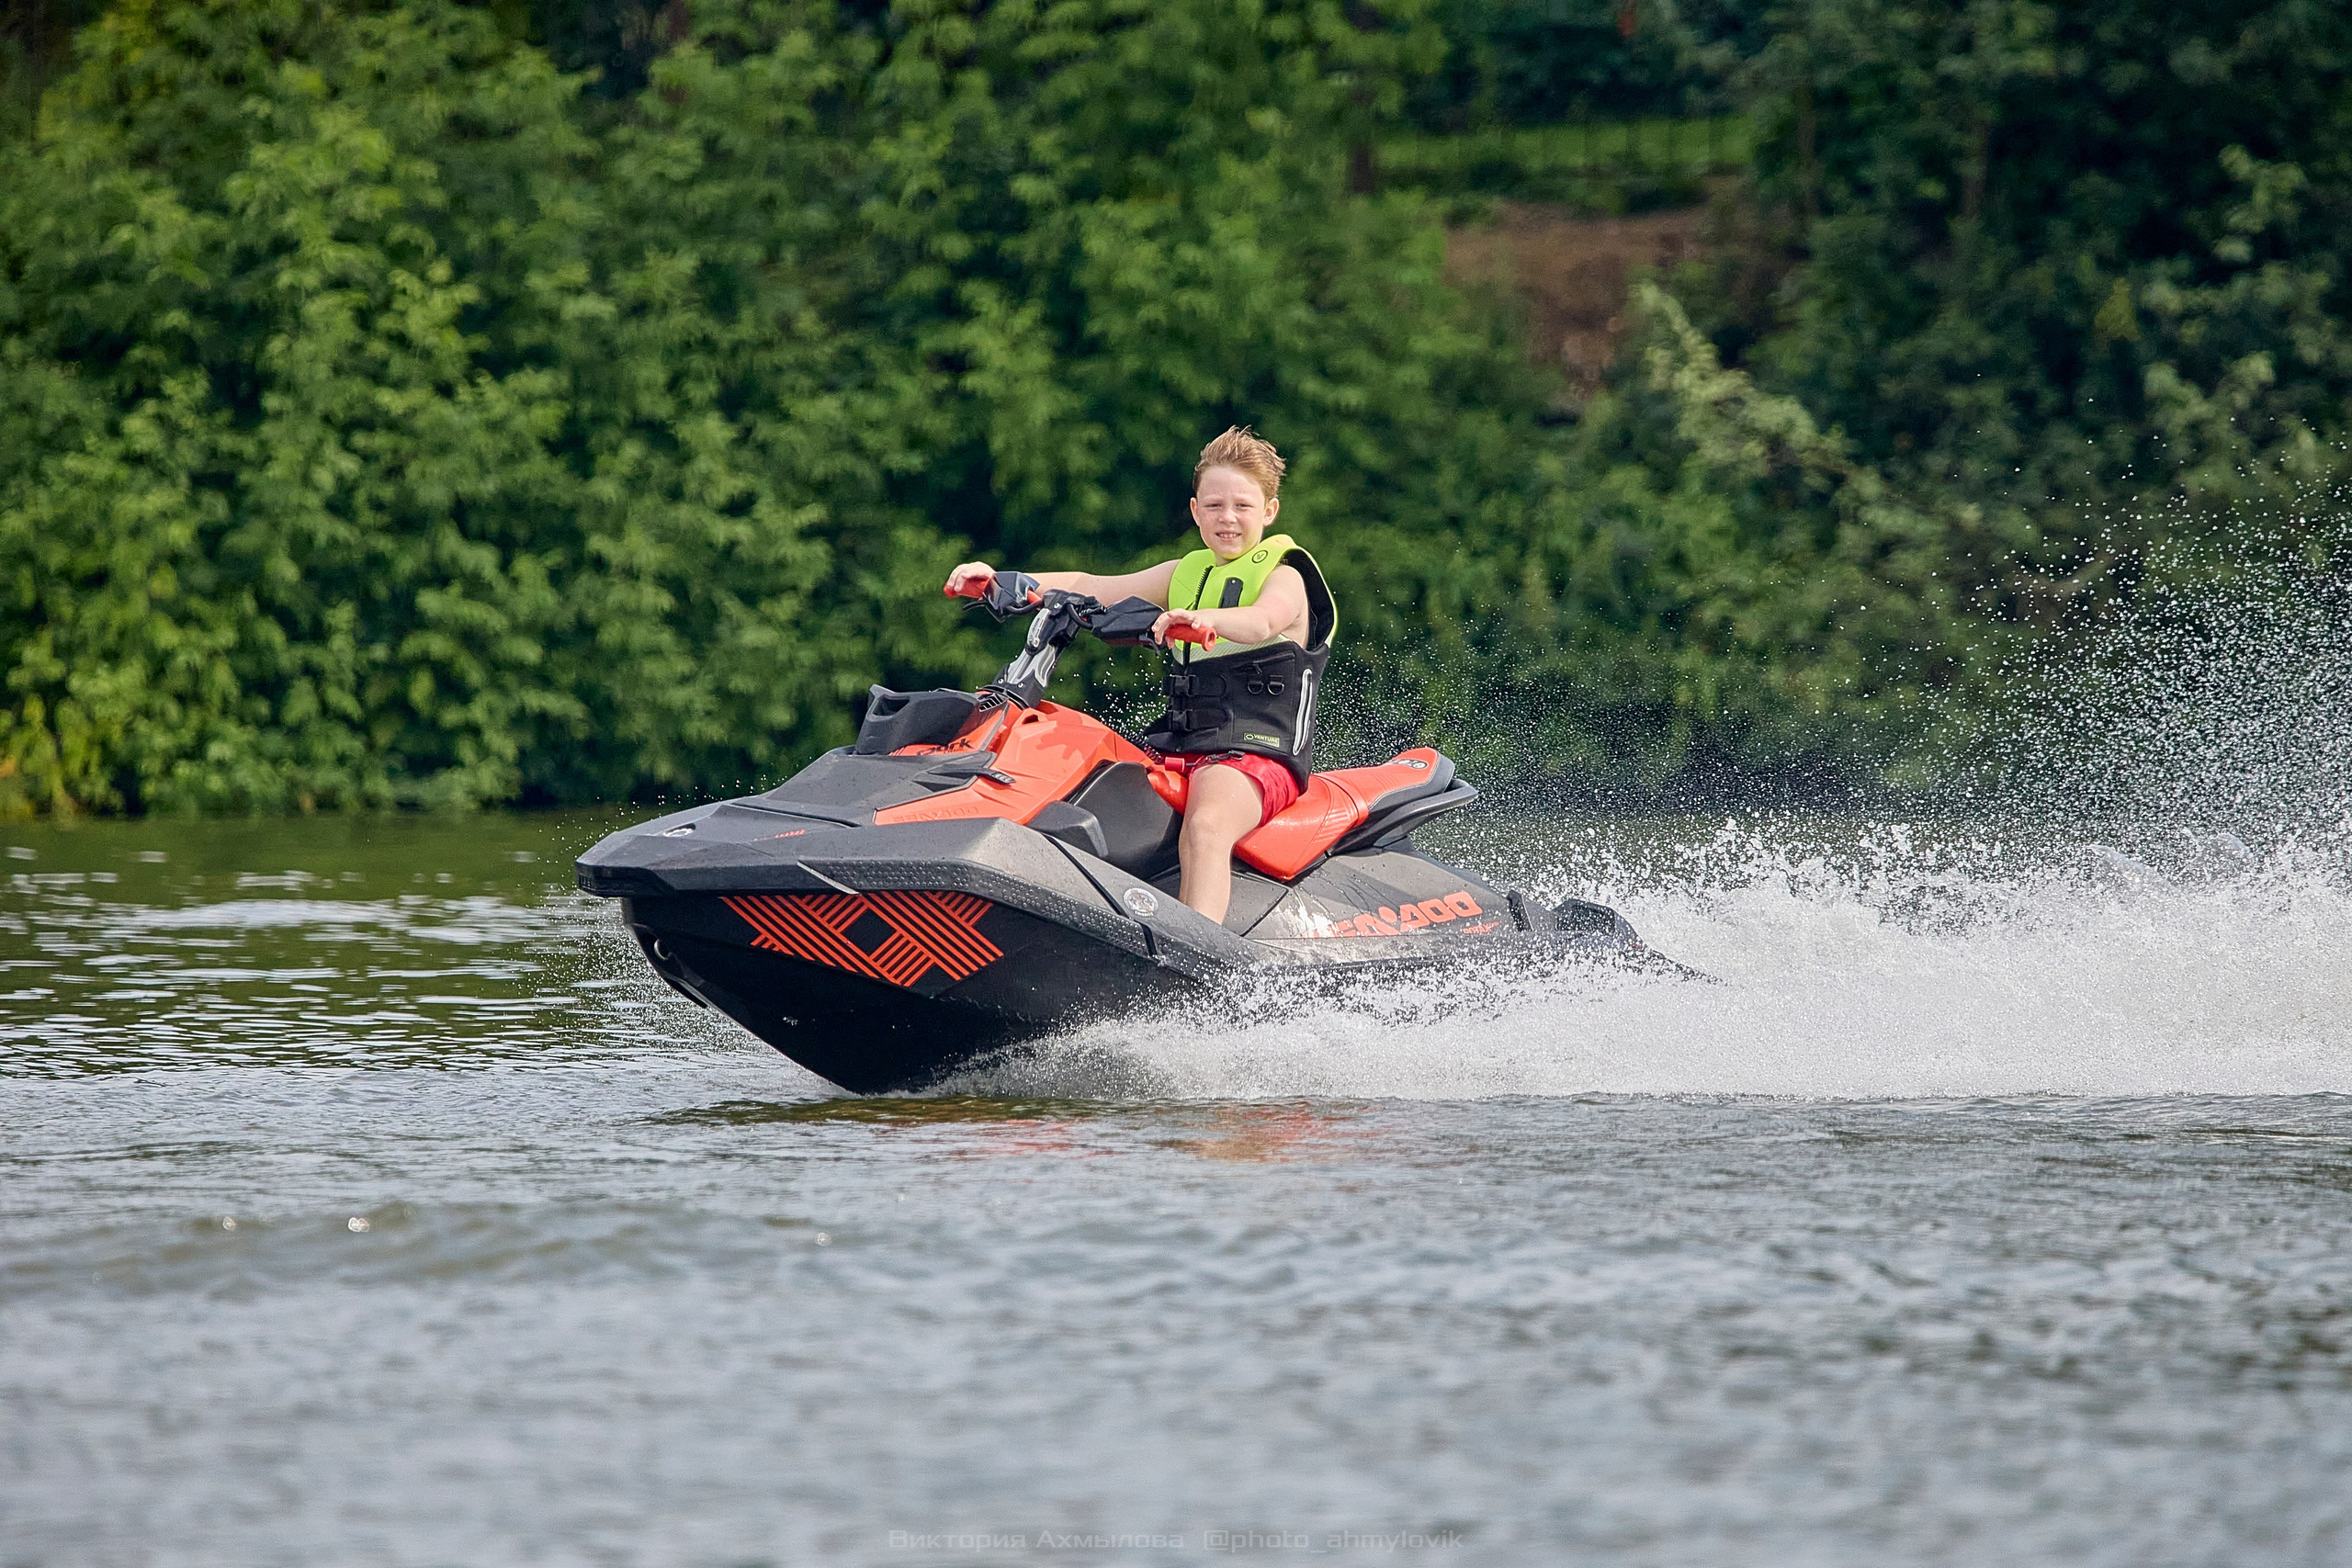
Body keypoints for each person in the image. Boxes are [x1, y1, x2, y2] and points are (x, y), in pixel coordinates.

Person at [942, 426, 1338, 923]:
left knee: (1207, 827)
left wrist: (1207, 621)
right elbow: (1091, 585)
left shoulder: (1286, 575)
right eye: (1214, 506)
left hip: (1258, 756)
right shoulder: (1185, 573)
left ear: (1269, 512)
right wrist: (1002, 581)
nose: (1228, 519)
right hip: (1179, 749)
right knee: (1090, 785)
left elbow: (1262, 620)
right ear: (1195, 511)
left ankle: (1201, 969)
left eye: (1242, 506)